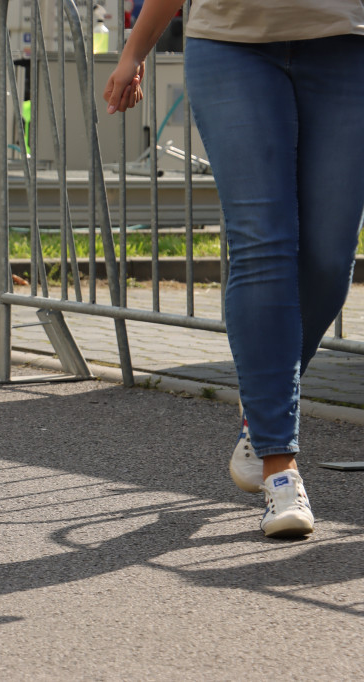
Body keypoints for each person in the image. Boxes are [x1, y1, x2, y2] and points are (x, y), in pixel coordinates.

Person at [103, 1, 364, 538]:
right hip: (231, 43)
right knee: (264, 243)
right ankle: (279, 468)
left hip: (346, 42)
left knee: (329, 257)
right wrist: (134, 50)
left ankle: (263, 395)